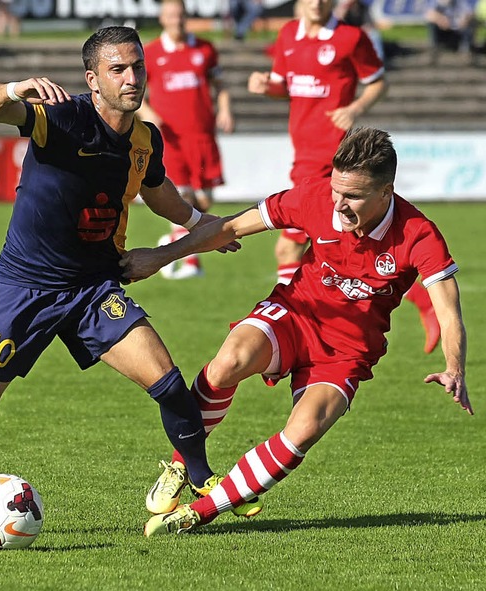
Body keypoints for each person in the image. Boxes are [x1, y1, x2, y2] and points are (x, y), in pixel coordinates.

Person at [0, 26, 232, 544]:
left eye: (137, 67)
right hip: (27, 287)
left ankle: (198, 475)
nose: (132, 78)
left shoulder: (144, 137)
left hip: (94, 287)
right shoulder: (61, 117)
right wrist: (16, 89)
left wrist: (196, 224)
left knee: (168, 381)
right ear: (93, 79)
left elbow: (156, 189)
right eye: (117, 70)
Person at [119, 127, 474, 537]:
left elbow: (449, 312)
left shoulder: (419, 234)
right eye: (337, 190)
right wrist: (161, 257)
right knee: (228, 362)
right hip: (294, 313)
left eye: (353, 197)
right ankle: (185, 464)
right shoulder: (316, 196)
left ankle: (201, 511)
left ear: (386, 192)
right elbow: (233, 226)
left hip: (347, 351)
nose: (339, 203)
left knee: (303, 431)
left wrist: (454, 367)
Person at [248, 0, 440, 354]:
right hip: (303, 153)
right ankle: (421, 303)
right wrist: (265, 86)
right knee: (342, 250)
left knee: (288, 245)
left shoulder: (351, 37)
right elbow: (285, 86)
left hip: (335, 161)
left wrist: (354, 109)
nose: (317, 3)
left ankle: (290, 323)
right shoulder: (288, 34)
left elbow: (377, 82)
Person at [138, 0, 234, 280]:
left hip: (202, 137)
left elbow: (221, 86)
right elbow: (137, 91)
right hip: (171, 140)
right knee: (184, 198)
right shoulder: (152, 53)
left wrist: (225, 109)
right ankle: (190, 263)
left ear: (186, 17)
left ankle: (171, 244)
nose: (176, 20)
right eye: (170, 15)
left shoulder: (204, 49)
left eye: (180, 15)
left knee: (204, 201)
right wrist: (149, 112)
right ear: (162, 18)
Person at [425, 0, 478, 65]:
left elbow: (471, 13)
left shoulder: (461, 2)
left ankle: (465, 51)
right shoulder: (438, 2)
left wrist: (465, 20)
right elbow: (429, 15)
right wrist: (440, 19)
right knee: (432, 23)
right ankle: (434, 50)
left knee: (472, 23)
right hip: (444, 32)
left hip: (459, 32)